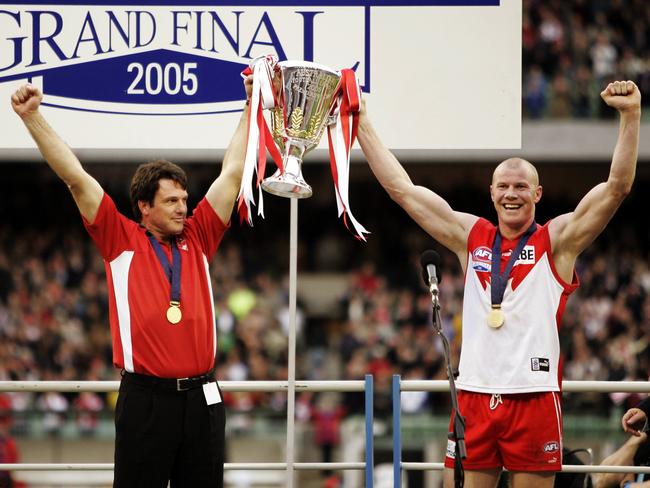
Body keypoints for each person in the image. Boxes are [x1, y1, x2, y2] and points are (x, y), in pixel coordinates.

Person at [357, 80, 641, 488]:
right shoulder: (470, 237)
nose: (512, 194)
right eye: (504, 187)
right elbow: (403, 190)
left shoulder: (556, 241)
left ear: (538, 193)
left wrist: (630, 116)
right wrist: (363, 122)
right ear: (491, 193)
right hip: (473, 395)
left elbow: (617, 189)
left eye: (521, 186)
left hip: (534, 396)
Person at [11, 78, 252, 488]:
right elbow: (75, 177)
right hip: (146, 400)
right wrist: (32, 117)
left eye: (184, 199)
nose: (183, 207)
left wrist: (252, 104)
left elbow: (231, 173)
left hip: (203, 399)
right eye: (171, 201)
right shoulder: (119, 238)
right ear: (144, 206)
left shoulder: (199, 234)